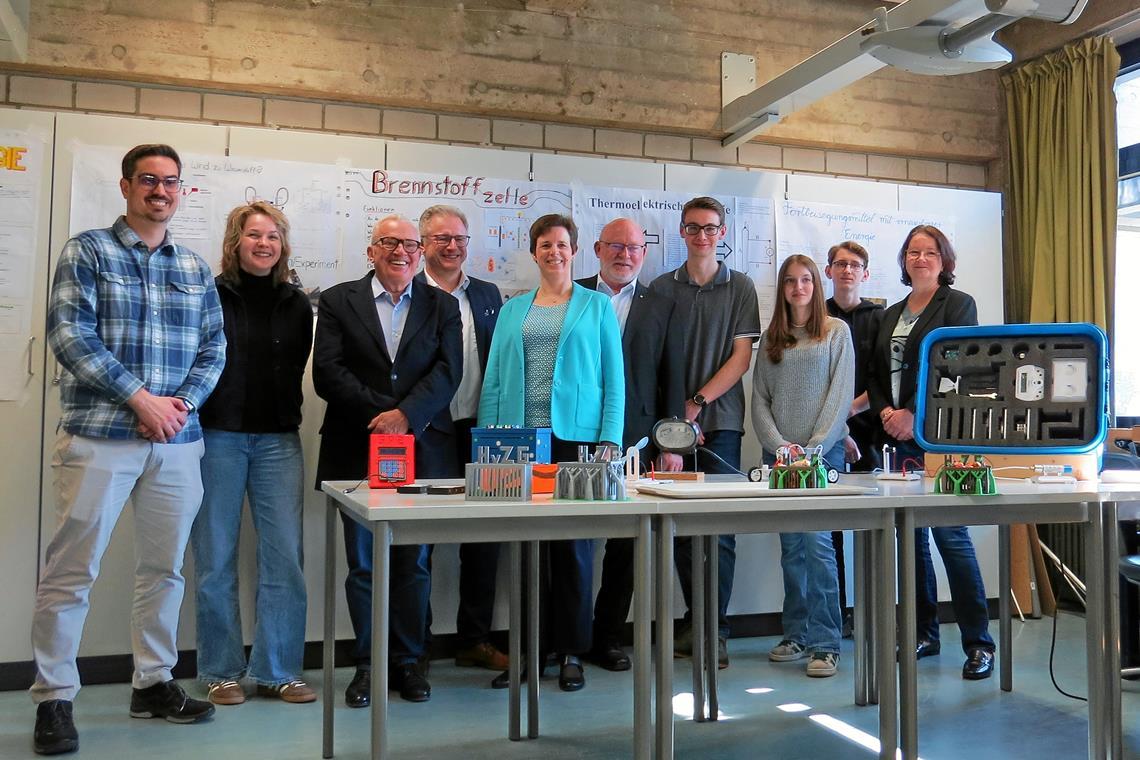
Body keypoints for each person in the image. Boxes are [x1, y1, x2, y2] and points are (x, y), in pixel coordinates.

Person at [31, 144, 225, 755]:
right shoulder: (87, 250)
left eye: (170, 181)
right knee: (71, 572)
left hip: (177, 443)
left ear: (181, 190)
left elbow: (213, 349)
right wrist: (141, 399)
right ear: (125, 186)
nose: (160, 191)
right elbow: (70, 335)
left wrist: (180, 405)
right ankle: (54, 696)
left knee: (163, 570)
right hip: (99, 438)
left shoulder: (194, 267)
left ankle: (153, 682)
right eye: (148, 180)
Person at [313, 215, 461, 705]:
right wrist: (383, 415)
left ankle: (408, 661)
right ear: (371, 250)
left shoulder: (442, 305)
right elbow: (327, 372)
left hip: (422, 449)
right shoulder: (337, 300)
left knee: (414, 563)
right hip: (356, 446)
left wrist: (406, 416)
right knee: (363, 564)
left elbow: (448, 372)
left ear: (420, 253)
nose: (401, 251)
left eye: (409, 244)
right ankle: (367, 664)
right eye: (389, 242)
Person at [479, 213, 624, 692]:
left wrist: (609, 439)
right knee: (526, 547)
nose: (554, 252)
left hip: (576, 440)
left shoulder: (596, 306)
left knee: (574, 550)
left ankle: (570, 653)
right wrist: (486, 438)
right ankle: (529, 653)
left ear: (575, 250)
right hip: (520, 440)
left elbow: (613, 380)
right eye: (545, 244)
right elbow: (495, 378)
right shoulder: (513, 309)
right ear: (534, 251)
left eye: (562, 244)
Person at [190, 201, 315, 706]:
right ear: (235, 242)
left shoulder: (297, 302)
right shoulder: (209, 294)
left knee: (284, 557)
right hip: (216, 435)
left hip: (278, 440)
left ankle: (278, 670)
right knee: (215, 557)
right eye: (254, 235)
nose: (264, 244)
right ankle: (221, 671)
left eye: (273, 236)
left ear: (282, 245)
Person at [866, 224, 996, 680]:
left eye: (930, 252)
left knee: (951, 537)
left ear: (944, 260)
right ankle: (924, 632)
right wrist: (886, 413)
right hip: (894, 440)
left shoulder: (958, 305)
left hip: (941, 438)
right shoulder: (891, 313)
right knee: (911, 538)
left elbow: (962, 370)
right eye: (913, 252)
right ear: (904, 260)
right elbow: (876, 376)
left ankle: (979, 643)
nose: (920, 259)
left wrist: (912, 416)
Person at [649, 196, 761, 669]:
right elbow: (651, 362)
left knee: (719, 533)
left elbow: (740, 359)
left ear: (722, 234)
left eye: (710, 228)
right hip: (669, 430)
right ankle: (696, 625)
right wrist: (674, 424)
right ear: (681, 232)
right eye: (693, 228)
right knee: (678, 530)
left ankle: (714, 632)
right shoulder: (658, 288)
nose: (701, 235)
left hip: (720, 426)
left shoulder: (741, 287)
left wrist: (694, 407)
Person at [578, 218, 686, 672]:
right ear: (598, 249)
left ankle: (606, 637)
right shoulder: (573, 294)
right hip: (578, 435)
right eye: (616, 246)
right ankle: (567, 639)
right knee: (573, 543)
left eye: (635, 248)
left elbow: (671, 376)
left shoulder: (662, 305)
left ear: (644, 255)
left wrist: (672, 441)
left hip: (637, 440)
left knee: (626, 546)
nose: (625, 255)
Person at [415, 204, 508, 673]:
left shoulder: (489, 295)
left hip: (481, 430)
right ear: (423, 244)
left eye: (459, 238)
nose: (452, 247)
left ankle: (475, 639)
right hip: (428, 430)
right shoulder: (410, 291)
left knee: (484, 540)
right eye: (441, 239)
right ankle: (418, 646)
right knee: (420, 541)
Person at [751, 254, 853, 678]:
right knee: (791, 550)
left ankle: (826, 642)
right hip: (779, 461)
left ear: (817, 284)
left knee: (819, 549)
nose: (798, 287)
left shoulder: (835, 333)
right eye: (790, 281)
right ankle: (795, 633)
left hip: (819, 458)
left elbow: (840, 396)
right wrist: (779, 447)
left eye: (806, 279)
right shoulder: (772, 339)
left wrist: (813, 448)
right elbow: (759, 401)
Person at [824, 240, 885, 637]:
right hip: (825, 433)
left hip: (868, 429)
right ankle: (838, 613)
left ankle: (874, 613)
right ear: (828, 271)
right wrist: (834, 420)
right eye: (840, 264)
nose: (847, 270)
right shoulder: (816, 313)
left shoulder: (880, 318)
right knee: (830, 526)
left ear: (865, 273)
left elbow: (883, 376)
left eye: (855, 265)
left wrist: (851, 409)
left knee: (872, 525)